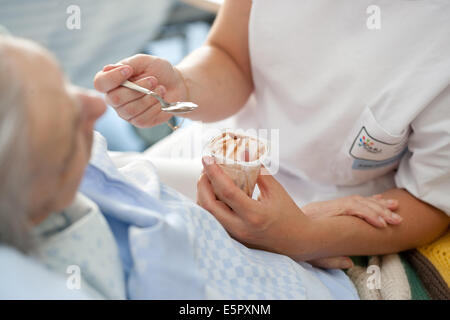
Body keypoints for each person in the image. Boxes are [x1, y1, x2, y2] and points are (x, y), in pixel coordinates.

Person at [0, 34, 374, 299]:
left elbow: (228, 52)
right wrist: (297, 238)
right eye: (68, 116)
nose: (98, 107)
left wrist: (302, 233)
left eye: (65, 84)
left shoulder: (86, 170)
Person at [93, 0, 450, 264]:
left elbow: (430, 200)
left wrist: (303, 236)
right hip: (214, 148)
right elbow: (231, 56)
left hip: (333, 214)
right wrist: (183, 86)